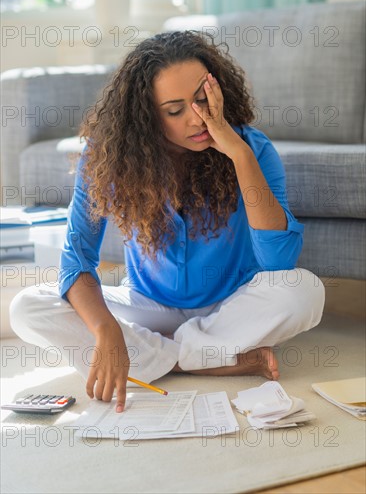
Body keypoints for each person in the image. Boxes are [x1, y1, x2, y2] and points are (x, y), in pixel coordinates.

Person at [10, 30, 325, 413]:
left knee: (304, 291)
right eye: (175, 110)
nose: (197, 118)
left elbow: (278, 264)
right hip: (148, 306)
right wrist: (107, 331)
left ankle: (162, 357)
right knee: (27, 307)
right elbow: (76, 261)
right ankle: (211, 360)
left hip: (231, 305)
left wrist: (239, 155)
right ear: (145, 116)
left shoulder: (251, 148)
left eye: (202, 99)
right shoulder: (107, 157)